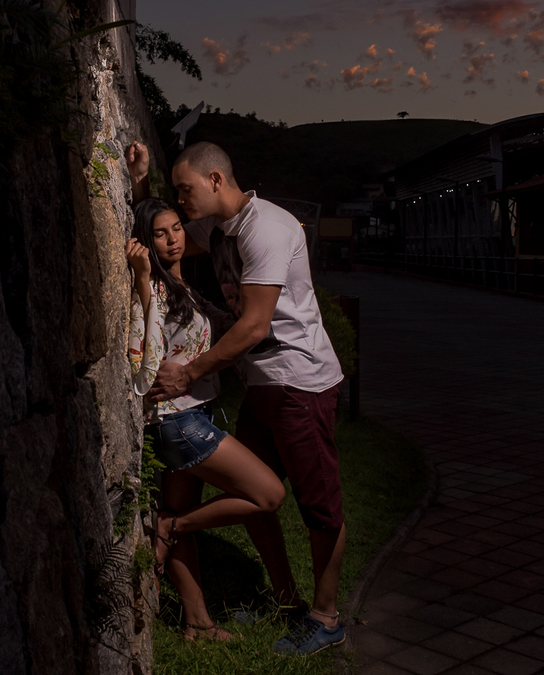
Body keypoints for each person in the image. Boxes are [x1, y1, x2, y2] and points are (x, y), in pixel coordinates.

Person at [128, 140, 348, 655]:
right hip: (263, 386)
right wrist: (141, 185)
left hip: (301, 382)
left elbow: (252, 325)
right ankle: (285, 600)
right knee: (256, 500)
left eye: (186, 190)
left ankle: (326, 616)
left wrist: (189, 374)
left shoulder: (267, 228)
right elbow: (161, 234)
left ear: (216, 181)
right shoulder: (217, 228)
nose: (181, 203)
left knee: (318, 507)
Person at [126, 196, 286, 643]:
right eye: (160, 232)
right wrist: (142, 279)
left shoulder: (184, 285)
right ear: (146, 240)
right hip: (178, 422)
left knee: (180, 508)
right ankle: (168, 527)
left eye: (177, 228)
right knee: (269, 493)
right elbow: (149, 353)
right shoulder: (153, 288)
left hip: (196, 413)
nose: (174, 238)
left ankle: (197, 623)